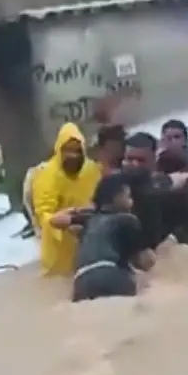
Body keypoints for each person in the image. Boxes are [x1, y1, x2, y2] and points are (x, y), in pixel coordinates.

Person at [32, 122, 102, 276]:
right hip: (58, 249)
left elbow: (102, 200)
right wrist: (63, 222)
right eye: (67, 151)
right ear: (59, 150)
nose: (73, 156)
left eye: (77, 151)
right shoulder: (47, 175)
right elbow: (42, 214)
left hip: (89, 241)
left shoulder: (93, 170)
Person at [71, 176, 156, 302]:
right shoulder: (128, 219)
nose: (132, 202)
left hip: (80, 281)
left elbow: (57, 221)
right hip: (110, 275)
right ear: (117, 197)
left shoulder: (90, 220)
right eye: (128, 196)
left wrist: (77, 210)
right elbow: (146, 262)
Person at [158, 119, 188, 248]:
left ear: (185, 141)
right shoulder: (155, 167)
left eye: (177, 137)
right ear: (162, 142)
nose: (173, 142)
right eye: (168, 138)